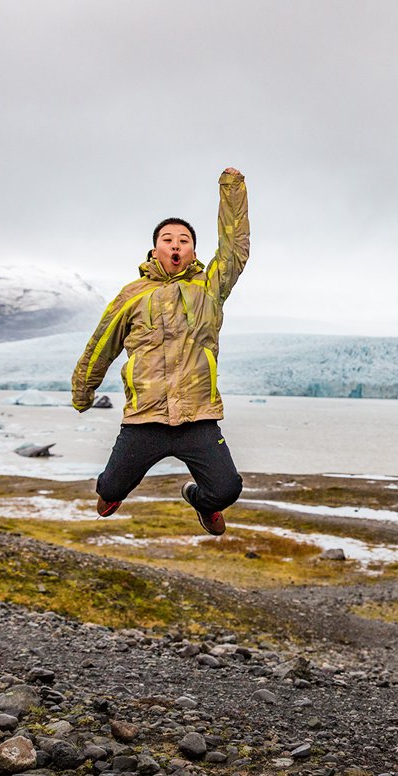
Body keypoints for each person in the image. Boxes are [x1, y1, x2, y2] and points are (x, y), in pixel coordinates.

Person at [71, 167, 249, 535]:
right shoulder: (132, 294)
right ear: (155, 249)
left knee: (227, 488)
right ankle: (111, 491)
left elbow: (234, 250)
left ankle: (200, 501)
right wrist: (83, 390)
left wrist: (232, 189)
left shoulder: (209, 288)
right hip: (144, 420)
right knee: (108, 494)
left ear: (193, 251)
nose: (176, 245)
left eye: (184, 240)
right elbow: (101, 343)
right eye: (168, 239)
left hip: (196, 418)